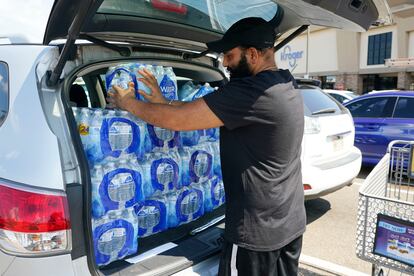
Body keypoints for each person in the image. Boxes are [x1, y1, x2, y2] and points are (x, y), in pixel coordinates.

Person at [108, 17, 306, 276]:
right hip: (288, 224)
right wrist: (162, 100)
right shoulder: (283, 84)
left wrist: (128, 104)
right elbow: (199, 110)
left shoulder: (250, 93)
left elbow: (180, 121)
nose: (224, 62)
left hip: (256, 235)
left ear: (253, 54)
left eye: (229, 55)